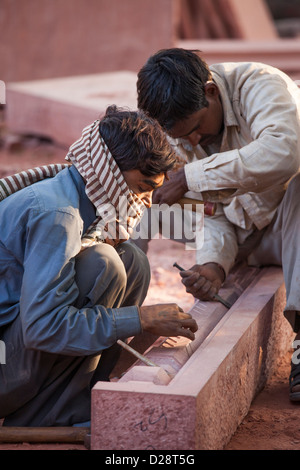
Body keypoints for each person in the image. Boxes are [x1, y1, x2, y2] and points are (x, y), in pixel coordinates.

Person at [0, 105, 198, 427]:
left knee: (132, 261)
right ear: (109, 174)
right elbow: (42, 328)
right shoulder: (58, 215)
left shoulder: (77, 196)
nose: (148, 201)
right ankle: (49, 415)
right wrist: (140, 319)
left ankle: (80, 397)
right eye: (144, 187)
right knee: (104, 265)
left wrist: (136, 322)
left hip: (15, 355)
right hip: (6, 369)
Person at [136, 48, 300, 401]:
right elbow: (213, 212)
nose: (192, 142)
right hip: (249, 239)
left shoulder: (261, 86)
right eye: (182, 137)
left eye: (195, 129)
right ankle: (116, 320)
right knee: (140, 195)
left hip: (293, 229)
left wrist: (190, 175)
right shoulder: (177, 131)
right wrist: (213, 267)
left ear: (211, 92)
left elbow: (285, 152)